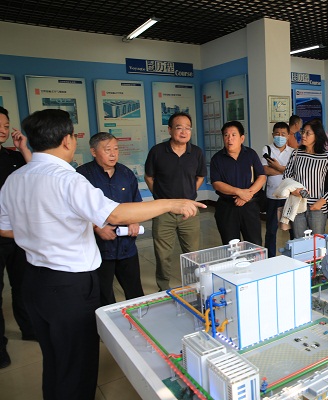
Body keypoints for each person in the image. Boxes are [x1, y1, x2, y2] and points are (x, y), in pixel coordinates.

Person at [0, 109, 205, 400]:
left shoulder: (16, 178)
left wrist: (41, 234)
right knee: (78, 364)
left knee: (55, 359)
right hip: (69, 286)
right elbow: (116, 214)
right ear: (68, 140)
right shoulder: (68, 179)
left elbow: (5, 228)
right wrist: (172, 203)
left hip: (33, 282)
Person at [77, 132, 144, 306]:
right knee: (103, 294)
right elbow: (77, 210)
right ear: (93, 152)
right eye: (107, 150)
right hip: (99, 248)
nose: (113, 154)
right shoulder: (82, 175)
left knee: (135, 291)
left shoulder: (126, 173)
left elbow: (136, 202)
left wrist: (135, 221)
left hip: (127, 245)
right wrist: (96, 227)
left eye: (116, 149)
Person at [144, 112, 206, 290]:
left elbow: (200, 176)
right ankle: (163, 288)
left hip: (189, 211)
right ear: (170, 129)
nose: (184, 132)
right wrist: (159, 198)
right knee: (163, 254)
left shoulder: (196, 152)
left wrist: (190, 194)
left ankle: (194, 285)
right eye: (179, 128)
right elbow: (149, 177)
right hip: (164, 212)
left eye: (188, 128)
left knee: (192, 254)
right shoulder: (157, 151)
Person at [0, 106, 35, 369]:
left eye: (5, 125)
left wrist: (23, 147)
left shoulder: (12, 156)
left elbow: (37, 174)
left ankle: (29, 329)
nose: (3, 129)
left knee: (22, 285)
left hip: (17, 233)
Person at [210, 121, 266, 245]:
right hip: (227, 207)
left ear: (242, 138)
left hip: (250, 206)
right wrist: (239, 192)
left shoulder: (250, 154)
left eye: (233, 135)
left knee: (255, 244)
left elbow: (262, 177)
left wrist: (247, 196)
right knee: (231, 246)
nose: (229, 139)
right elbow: (216, 183)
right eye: (226, 135)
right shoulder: (217, 159)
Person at [283, 119, 328, 237]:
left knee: (317, 242)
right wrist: (293, 191)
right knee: (299, 240)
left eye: (308, 133)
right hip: (297, 204)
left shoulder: (326, 156)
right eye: (303, 132)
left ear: (317, 136)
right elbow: (286, 176)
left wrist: (322, 201)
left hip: (317, 207)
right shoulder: (296, 153)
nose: (303, 135)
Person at [261, 122, 294, 257]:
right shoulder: (267, 149)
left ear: (288, 136)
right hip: (272, 196)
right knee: (271, 230)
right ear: (273, 134)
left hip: (290, 196)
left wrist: (276, 167)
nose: (280, 137)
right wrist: (285, 170)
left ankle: (294, 255)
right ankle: (270, 257)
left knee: (292, 229)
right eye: (277, 134)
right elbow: (265, 170)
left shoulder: (293, 152)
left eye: (283, 134)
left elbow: (295, 172)